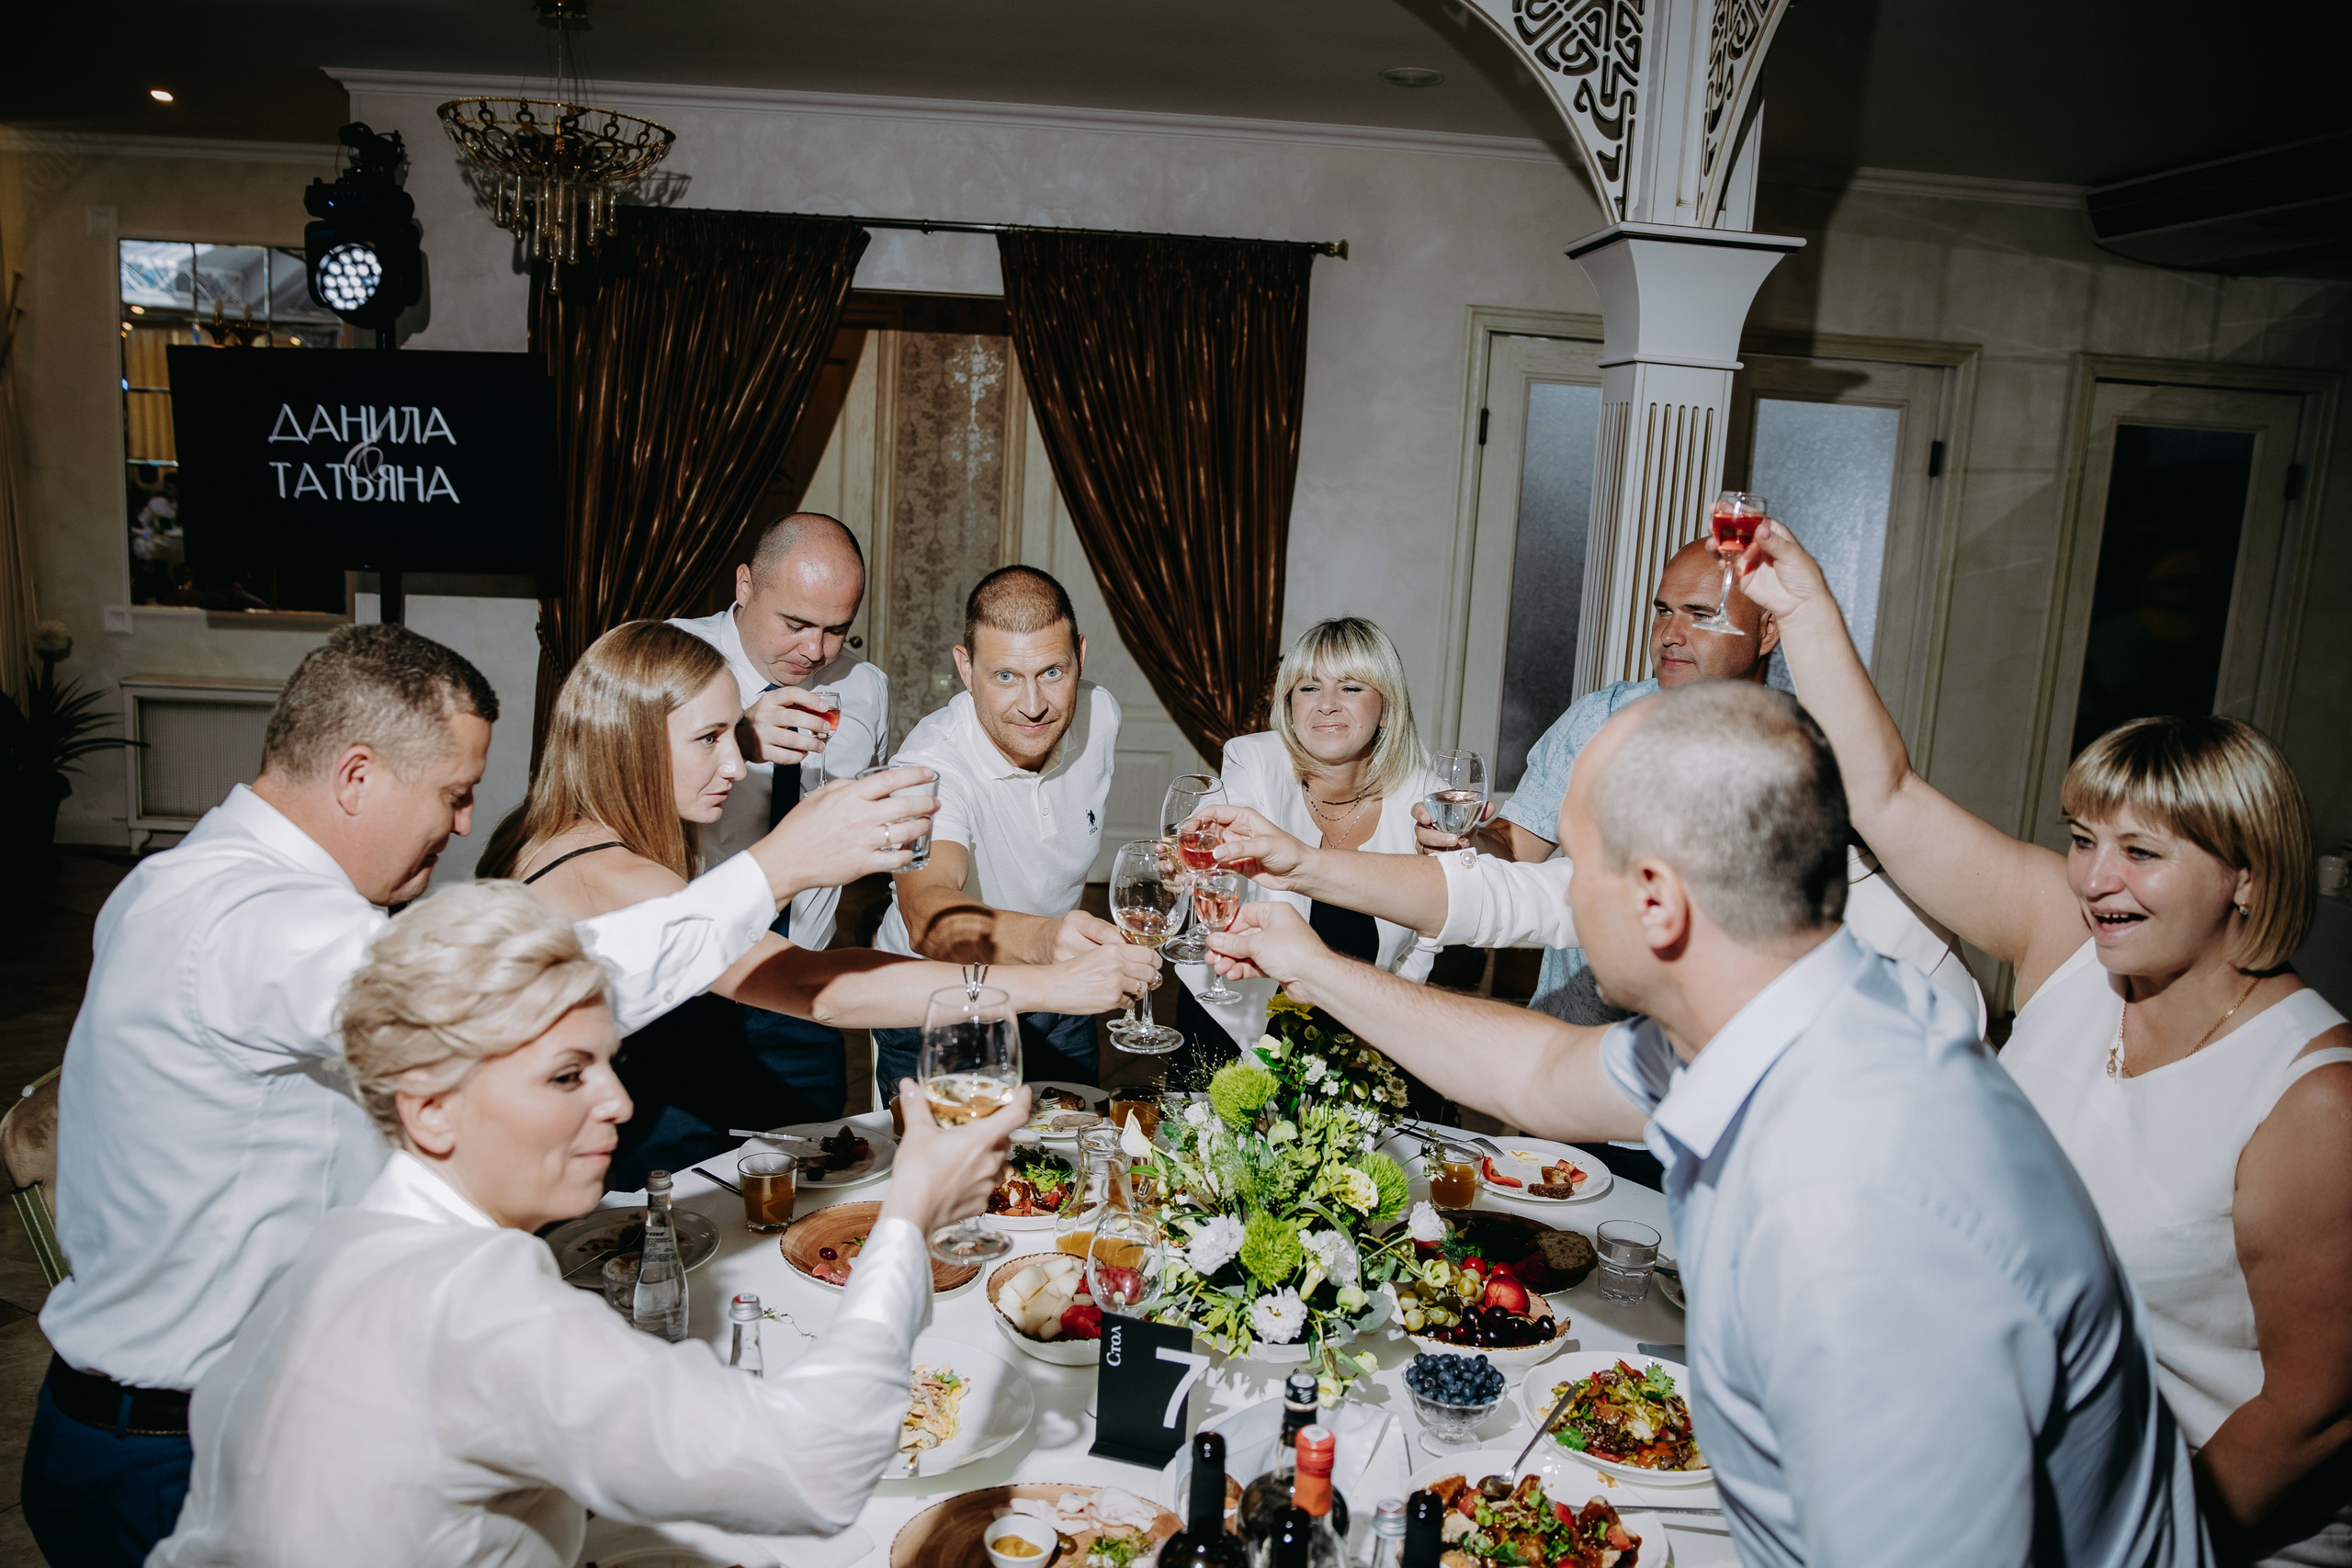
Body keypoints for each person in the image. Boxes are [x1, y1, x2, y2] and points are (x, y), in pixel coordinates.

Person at [1207, 681, 2209, 1567]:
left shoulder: (1861, 1204)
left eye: (1578, 868)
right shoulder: (1793, 1005)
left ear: (1656, 902)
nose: (1561, 896)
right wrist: (1313, 967)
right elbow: (1542, 1073)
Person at [25, 625, 923, 1568]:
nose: (464, 827)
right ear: (358, 776)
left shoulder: (187, 881)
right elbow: (511, 997)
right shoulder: (249, 925)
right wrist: (772, 868)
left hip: (215, 1411)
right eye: (453, 795)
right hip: (165, 1456)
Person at [1741, 521, 2352, 1564]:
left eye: (2140, 853)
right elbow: (1882, 797)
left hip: (2194, 1526)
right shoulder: (2072, 949)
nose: (2093, 879)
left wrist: (2133, 1549)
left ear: (2245, 874)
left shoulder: (2311, 1101)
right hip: (2009, 1475)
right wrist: (1802, 611)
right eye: (2082, 841)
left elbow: (2310, 1417)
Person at [150, 880, 1028, 1566]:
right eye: (567, 1076)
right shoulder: (477, 1308)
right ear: (429, 1108)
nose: (616, 1101)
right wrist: (907, 1216)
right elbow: (815, 1467)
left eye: (607, 1063)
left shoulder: (337, 1242)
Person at [486, 620, 1157, 1184]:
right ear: (631, 739)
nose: (735, 764)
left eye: (736, 735)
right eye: (710, 739)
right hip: (592, 1168)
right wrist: (1050, 984)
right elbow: (820, 990)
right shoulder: (616, 878)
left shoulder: (545, 830)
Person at [1418, 535, 1980, 1028]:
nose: (1671, 634)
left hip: (1720, 1065)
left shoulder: (1805, 749)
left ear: (1768, 631)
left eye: (1701, 614)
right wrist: (1467, 843)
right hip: (1579, 1037)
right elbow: (1517, 847)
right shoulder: (1601, 717)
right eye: (1663, 611)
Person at [873, 566, 1142, 1097]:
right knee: (955, 1178)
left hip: (1057, 995)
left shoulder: (1100, 714)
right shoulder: (929, 766)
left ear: (1080, 656)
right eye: (1005, 677)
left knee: (1067, 1163)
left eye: (1052, 672)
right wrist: (1047, 939)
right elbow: (927, 914)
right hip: (946, 1001)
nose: (1034, 705)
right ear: (965, 667)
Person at [671, 511, 888, 1120]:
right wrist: (731, 734)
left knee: (809, 1193)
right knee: (671, 1197)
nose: (814, 650)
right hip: (687, 984)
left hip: (803, 988)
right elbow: (606, 782)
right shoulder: (663, 654)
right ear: (744, 585)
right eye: (795, 623)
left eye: (836, 629)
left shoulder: (866, 687)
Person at [1171, 618, 1442, 1089]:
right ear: (1289, 705)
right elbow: (1224, 823)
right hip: (1235, 1022)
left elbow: (1429, 932)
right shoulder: (1253, 761)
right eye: (1309, 687)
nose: (1327, 705)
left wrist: (1388, 1028)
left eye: (1352, 687)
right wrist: (1196, 863)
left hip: (1359, 1037)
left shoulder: (1422, 794)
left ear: (1386, 708)